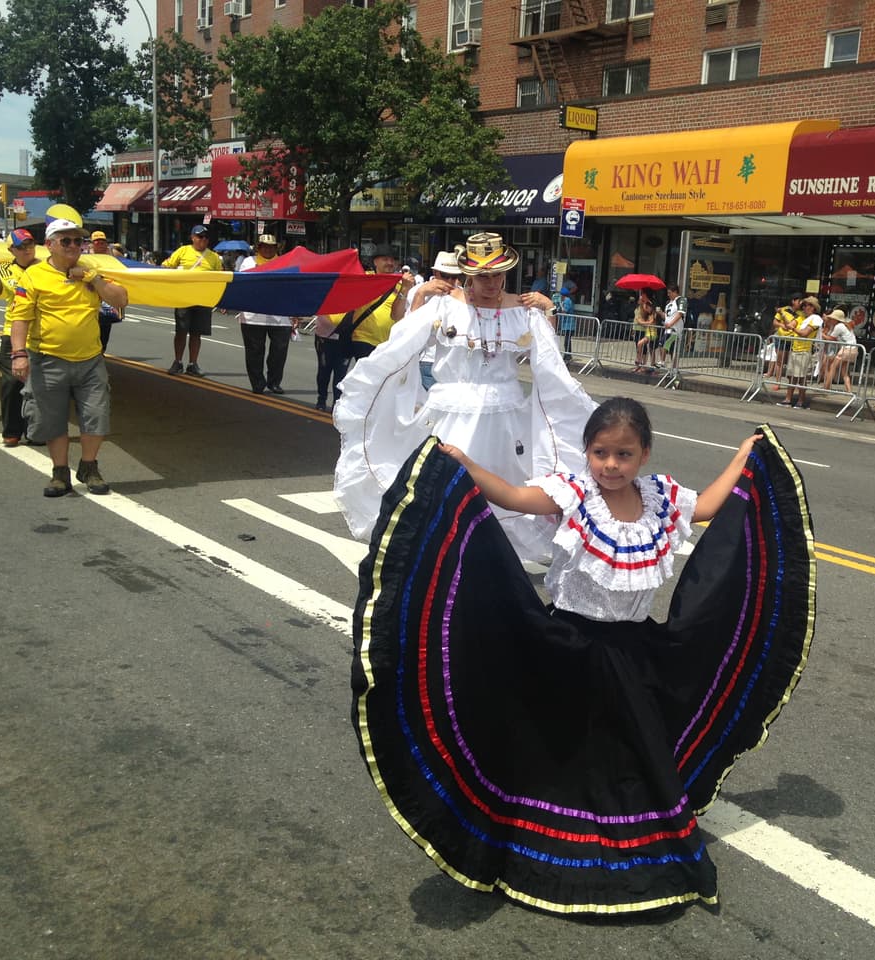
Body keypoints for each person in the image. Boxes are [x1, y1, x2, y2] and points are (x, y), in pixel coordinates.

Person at [351, 397, 816, 914]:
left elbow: (707, 506)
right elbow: (512, 496)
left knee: (627, 755)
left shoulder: (660, 497)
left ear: (644, 455)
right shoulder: (572, 493)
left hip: (633, 652)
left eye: (623, 454)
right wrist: (463, 464)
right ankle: (541, 845)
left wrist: (745, 457)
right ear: (586, 450)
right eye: (601, 452)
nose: (611, 464)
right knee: (559, 753)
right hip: (567, 647)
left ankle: (630, 847)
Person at [333, 231, 596, 560]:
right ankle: (442, 554)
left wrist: (549, 311)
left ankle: (490, 557)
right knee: (445, 485)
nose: (491, 283)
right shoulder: (444, 306)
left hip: (504, 419)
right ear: (469, 275)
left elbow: (550, 366)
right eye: (483, 276)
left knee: (503, 488)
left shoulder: (524, 310)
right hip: (450, 414)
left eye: (497, 275)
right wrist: (418, 300)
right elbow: (403, 343)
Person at [8, 215, 128, 496]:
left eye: (78, 240)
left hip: (90, 360)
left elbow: (121, 299)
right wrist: (18, 354)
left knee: (97, 416)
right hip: (48, 360)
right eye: (66, 240)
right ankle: (60, 473)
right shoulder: (33, 276)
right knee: (52, 420)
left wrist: (93, 279)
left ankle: (89, 467)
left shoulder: (90, 269)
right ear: (49, 245)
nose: (74, 245)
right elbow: (20, 319)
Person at [0, 228, 39, 445]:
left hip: (39, 333)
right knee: (12, 384)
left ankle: (35, 431)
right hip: (13, 332)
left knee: (40, 386)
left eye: (30, 244)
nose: (27, 250)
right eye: (21, 246)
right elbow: (19, 289)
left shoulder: (45, 267)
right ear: (11, 250)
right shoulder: (6, 268)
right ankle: (11, 431)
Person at [236, 234, 298, 394]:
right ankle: (257, 383)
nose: (268, 249)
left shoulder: (285, 263)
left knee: (279, 352)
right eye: (265, 246)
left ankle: (274, 382)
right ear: (259, 247)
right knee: (254, 352)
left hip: (280, 315)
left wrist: (295, 312)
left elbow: (293, 289)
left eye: (271, 246)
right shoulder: (249, 262)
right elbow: (244, 284)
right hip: (253, 316)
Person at [162, 224, 222, 376]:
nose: (203, 240)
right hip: (183, 298)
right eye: (200, 237)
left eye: (206, 237)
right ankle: (178, 362)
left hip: (202, 300)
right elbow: (166, 266)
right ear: (192, 237)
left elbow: (220, 277)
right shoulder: (183, 251)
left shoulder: (213, 257)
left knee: (196, 333)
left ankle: (192, 364)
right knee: (181, 331)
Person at [408, 247, 467, 388]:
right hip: (427, 360)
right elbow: (409, 327)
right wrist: (421, 295)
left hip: (454, 361)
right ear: (435, 273)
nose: (451, 281)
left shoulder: (462, 295)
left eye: (455, 277)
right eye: (446, 275)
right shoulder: (418, 291)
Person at [779, 296, 821, 408]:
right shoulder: (801, 318)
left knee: (802, 378)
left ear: (814, 308)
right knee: (792, 376)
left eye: (809, 305)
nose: (806, 307)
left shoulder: (816, 319)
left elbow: (804, 333)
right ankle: (788, 399)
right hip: (795, 349)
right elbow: (789, 326)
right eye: (805, 305)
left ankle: (801, 401)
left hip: (805, 350)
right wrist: (783, 315)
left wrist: (793, 328)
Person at [821, 306, 858, 395]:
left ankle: (826, 388)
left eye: (833, 318)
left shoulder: (839, 326)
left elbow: (831, 338)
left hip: (846, 349)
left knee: (833, 368)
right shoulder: (847, 325)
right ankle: (849, 391)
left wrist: (822, 334)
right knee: (844, 371)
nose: (831, 319)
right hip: (854, 349)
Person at [632, 292, 662, 371]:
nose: (646, 308)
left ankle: (647, 364)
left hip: (652, 334)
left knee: (651, 349)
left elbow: (651, 321)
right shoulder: (646, 313)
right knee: (646, 347)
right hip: (648, 334)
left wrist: (646, 303)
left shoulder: (653, 314)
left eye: (647, 307)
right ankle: (640, 362)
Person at [656, 283, 684, 368]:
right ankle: (669, 366)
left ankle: (665, 363)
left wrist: (670, 324)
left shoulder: (681, 300)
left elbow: (680, 314)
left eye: (670, 293)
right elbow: (667, 316)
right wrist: (660, 313)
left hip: (675, 329)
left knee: (665, 343)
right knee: (665, 345)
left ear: (675, 292)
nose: (668, 295)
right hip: (668, 328)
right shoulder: (669, 303)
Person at [557, 284, 577, 362]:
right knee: (566, 340)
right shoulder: (563, 301)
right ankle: (567, 355)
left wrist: (561, 307)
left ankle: (568, 355)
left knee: (567, 341)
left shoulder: (567, 301)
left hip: (569, 324)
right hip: (565, 324)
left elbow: (565, 311)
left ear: (562, 295)